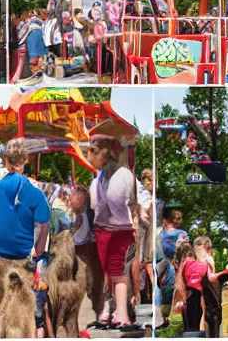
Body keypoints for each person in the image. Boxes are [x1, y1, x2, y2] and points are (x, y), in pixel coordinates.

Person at [0, 138, 50, 332]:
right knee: (28, 315)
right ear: (25, 160)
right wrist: (39, 249)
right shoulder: (34, 191)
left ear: (6, 162)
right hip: (24, 261)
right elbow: (44, 223)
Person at [88, 134, 140, 331]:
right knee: (119, 275)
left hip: (104, 230)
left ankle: (105, 313)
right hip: (122, 229)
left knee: (108, 274)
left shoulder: (99, 178)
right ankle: (121, 315)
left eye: (94, 151)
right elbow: (136, 201)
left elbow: (94, 203)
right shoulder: (125, 175)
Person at [69, 185, 106, 328]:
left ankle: (100, 314)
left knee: (94, 286)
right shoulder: (81, 216)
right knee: (93, 287)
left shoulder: (83, 217)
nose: (70, 200)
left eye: (72, 197)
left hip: (88, 256)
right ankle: (99, 314)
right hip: (87, 255)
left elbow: (80, 239)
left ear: (80, 199)